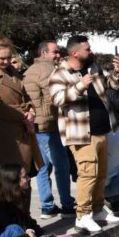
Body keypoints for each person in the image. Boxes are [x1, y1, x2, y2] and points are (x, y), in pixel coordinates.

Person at [48, 35, 119, 233]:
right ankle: (82, 215)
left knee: (101, 174)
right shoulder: (60, 73)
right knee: (87, 174)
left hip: (101, 129)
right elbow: (57, 99)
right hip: (81, 133)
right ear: (74, 53)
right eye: (87, 49)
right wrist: (80, 85)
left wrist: (117, 72)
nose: (91, 51)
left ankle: (98, 209)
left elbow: (111, 86)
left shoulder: (93, 67)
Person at [0, 34, 43, 211]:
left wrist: (32, 111)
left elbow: (27, 97)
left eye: (8, 58)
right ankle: (13, 224)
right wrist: (24, 114)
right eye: (1, 58)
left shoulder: (13, 72)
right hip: (4, 133)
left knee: (24, 180)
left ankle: (25, 222)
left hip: (23, 130)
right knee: (10, 182)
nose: (6, 62)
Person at [23, 40, 75, 218]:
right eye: (55, 52)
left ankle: (47, 205)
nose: (58, 54)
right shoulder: (51, 71)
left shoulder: (29, 72)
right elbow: (56, 97)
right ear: (43, 53)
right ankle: (67, 203)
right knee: (62, 166)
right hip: (50, 124)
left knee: (43, 168)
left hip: (37, 126)